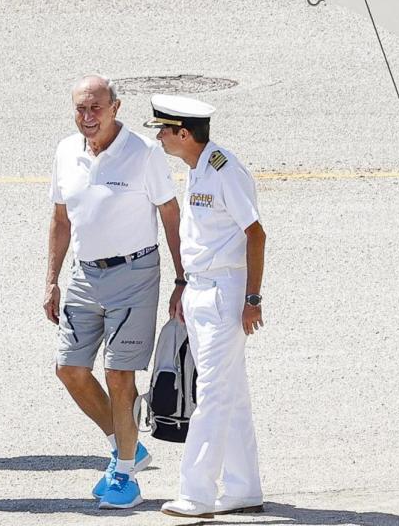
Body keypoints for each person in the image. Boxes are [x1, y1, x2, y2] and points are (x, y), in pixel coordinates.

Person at [44, 75, 185, 509]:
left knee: (120, 375)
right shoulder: (67, 151)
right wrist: (51, 279)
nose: (88, 117)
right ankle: (127, 446)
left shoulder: (143, 153)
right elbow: (60, 219)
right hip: (84, 276)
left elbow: (170, 214)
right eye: (81, 109)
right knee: (69, 368)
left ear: (115, 107)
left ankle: (125, 475)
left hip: (135, 273)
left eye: (96, 108)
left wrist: (182, 279)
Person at [149, 94, 266, 519]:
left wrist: (252, 299)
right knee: (230, 395)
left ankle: (196, 494)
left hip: (225, 294)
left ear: (183, 133)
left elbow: (256, 235)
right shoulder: (198, 167)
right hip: (200, 289)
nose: (159, 137)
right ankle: (242, 487)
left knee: (212, 395)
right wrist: (182, 284)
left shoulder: (223, 170)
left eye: (163, 129)